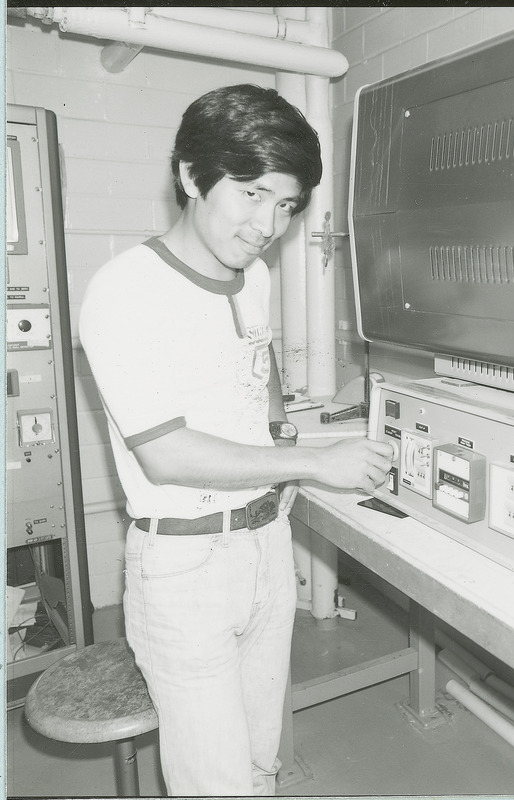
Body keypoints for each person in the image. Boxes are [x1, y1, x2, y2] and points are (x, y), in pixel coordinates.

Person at [79, 83, 393, 797]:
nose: (267, 224)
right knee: (212, 782)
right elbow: (167, 453)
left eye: (285, 205)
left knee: (259, 759)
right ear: (191, 176)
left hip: (265, 542)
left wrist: (281, 431)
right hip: (186, 561)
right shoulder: (125, 291)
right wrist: (314, 461)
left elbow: (259, 364)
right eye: (251, 193)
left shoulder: (252, 276)